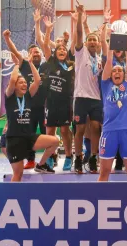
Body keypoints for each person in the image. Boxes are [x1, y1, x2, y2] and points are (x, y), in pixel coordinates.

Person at [4, 57, 58, 182]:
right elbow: (12, 79)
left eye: (25, 82)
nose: (24, 84)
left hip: (29, 137)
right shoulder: (10, 98)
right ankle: (11, 198)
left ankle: (41, 165)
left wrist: (30, 63)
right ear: (14, 86)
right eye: (21, 82)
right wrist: (17, 65)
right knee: (18, 174)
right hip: (14, 140)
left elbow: (38, 80)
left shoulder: (28, 96)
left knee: (54, 141)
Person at [98, 31, 127, 182]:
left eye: (119, 71)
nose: (116, 72)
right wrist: (111, 39)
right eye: (114, 71)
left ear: (124, 75)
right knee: (104, 173)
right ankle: (98, 201)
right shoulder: (105, 84)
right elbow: (109, 60)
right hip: (109, 131)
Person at [4, 29, 48, 170]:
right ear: (29, 55)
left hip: (43, 107)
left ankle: (47, 161)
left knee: (46, 134)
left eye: (38, 52)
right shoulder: (23, 65)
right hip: (27, 109)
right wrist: (7, 38)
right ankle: (30, 159)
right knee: (28, 134)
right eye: (34, 52)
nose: (36, 53)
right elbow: (14, 51)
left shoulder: (45, 67)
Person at [73, 3, 103, 174]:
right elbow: (78, 33)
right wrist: (79, 18)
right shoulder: (80, 53)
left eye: (95, 40)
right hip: (81, 97)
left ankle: (93, 157)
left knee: (96, 128)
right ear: (86, 42)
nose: (92, 42)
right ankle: (78, 158)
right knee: (81, 129)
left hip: (96, 98)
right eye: (89, 39)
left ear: (98, 44)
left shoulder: (99, 58)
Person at [42, 18, 76, 171]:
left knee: (64, 130)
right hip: (51, 102)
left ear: (66, 52)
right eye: (59, 49)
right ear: (55, 53)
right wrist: (48, 29)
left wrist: (76, 23)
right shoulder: (51, 62)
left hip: (65, 103)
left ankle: (69, 156)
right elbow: (44, 45)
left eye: (64, 49)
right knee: (50, 131)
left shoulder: (71, 65)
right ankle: (50, 156)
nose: (61, 51)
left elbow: (76, 43)